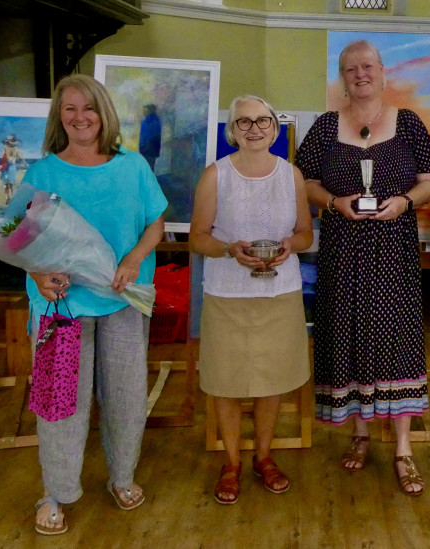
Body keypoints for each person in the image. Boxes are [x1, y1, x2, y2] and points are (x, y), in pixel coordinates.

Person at [21, 74, 167, 535]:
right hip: (60, 308)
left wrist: (135, 258)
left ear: (104, 113)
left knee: (125, 398)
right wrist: (37, 273)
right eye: (69, 109)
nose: (79, 117)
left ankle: (122, 477)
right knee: (60, 403)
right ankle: (56, 492)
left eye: (88, 108)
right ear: (58, 117)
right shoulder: (43, 172)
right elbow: (17, 237)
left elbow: (155, 224)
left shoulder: (133, 167)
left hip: (123, 300)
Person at [295, 39, 430, 496]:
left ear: (382, 71)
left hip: (393, 248)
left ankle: (402, 447)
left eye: (367, 66)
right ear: (343, 77)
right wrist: (334, 202)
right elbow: (307, 182)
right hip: (342, 248)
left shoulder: (408, 123)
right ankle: (358, 433)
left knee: (394, 339)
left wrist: (405, 202)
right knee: (348, 335)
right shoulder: (324, 127)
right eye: (350, 68)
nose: (359, 74)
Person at [190, 95, 312, 504]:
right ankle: (231, 462)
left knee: (272, 380)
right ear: (232, 131)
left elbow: (305, 234)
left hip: (279, 291)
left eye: (263, 121)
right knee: (225, 381)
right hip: (227, 292)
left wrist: (287, 246)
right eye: (244, 122)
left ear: (275, 129)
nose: (254, 128)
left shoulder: (291, 174)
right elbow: (197, 237)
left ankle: (263, 456)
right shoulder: (216, 176)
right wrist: (229, 250)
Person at [0, 133, 27, 204]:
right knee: (10, 184)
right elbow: (22, 158)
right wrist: (26, 164)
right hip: (11, 168)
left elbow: (2, 159)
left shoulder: (5, 149)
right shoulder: (15, 150)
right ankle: (10, 198)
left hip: (7, 168)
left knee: (6, 184)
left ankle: (7, 198)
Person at [139, 104, 162, 172]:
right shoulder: (146, 120)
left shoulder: (153, 121)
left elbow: (154, 136)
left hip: (149, 148)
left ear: (150, 111)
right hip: (147, 148)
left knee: (148, 167)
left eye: (146, 110)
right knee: (147, 167)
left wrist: (144, 147)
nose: (144, 112)